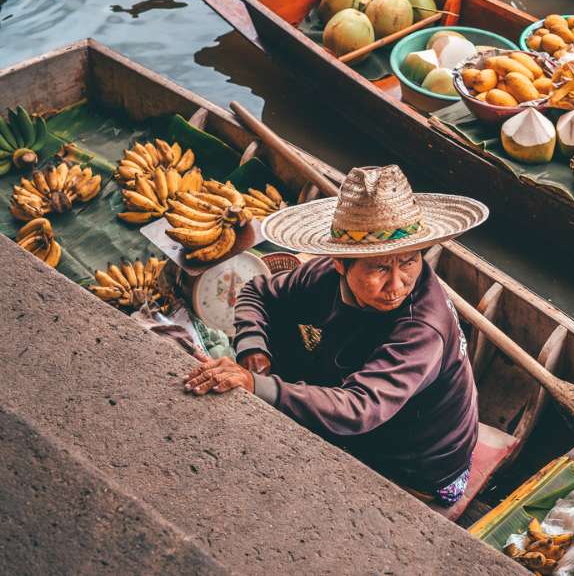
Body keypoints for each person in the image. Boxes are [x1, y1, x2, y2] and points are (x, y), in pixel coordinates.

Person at [182, 165, 490, 506]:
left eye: (408, 262)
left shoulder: (423, 329)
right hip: (358, 393)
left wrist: (255, 385)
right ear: (340, 263)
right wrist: (253, 347)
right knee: (284, 323)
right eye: (379, 268)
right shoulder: (324, 275)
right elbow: (258, 293)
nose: (398, 283)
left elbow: (359, 408)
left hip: (417, 466)